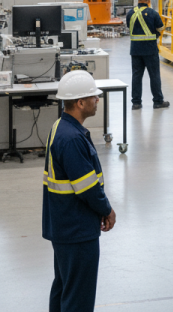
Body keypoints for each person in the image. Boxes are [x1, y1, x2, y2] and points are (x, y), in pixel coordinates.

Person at [43, 71, 116, 312]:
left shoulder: (60, 127)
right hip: (77, 228)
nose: (98, 100)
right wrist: (107, 209)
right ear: (80, 102)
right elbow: (87, 188)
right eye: (94, 97)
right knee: (78, 298)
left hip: (64, 225)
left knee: (64, 288)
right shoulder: (72, 138)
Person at [127, 0, 169, 109]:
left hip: (135, 50)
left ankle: (136, 102)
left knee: (136, 76)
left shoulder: (130, 14)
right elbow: (161, 28)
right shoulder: (152, 14)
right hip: (150, 50)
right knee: (154, 75)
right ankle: (157, 101)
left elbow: (130, 28)